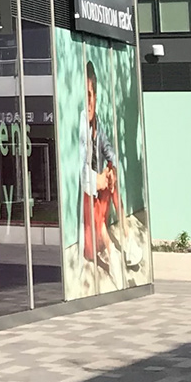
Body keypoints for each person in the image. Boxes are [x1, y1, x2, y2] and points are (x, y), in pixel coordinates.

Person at [80, 60, 120, 266]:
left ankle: (125, 233)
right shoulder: (80, 125)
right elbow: (77, 163)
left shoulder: (97, 123)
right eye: (83, 97)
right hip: (90, 186)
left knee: (114, 180)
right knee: (94, 205)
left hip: (100, 182)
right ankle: (111, 252)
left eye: (89, 96)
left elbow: (107, 147)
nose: (87, 104)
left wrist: (111, 167)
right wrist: (97, 178)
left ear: (95, 97)